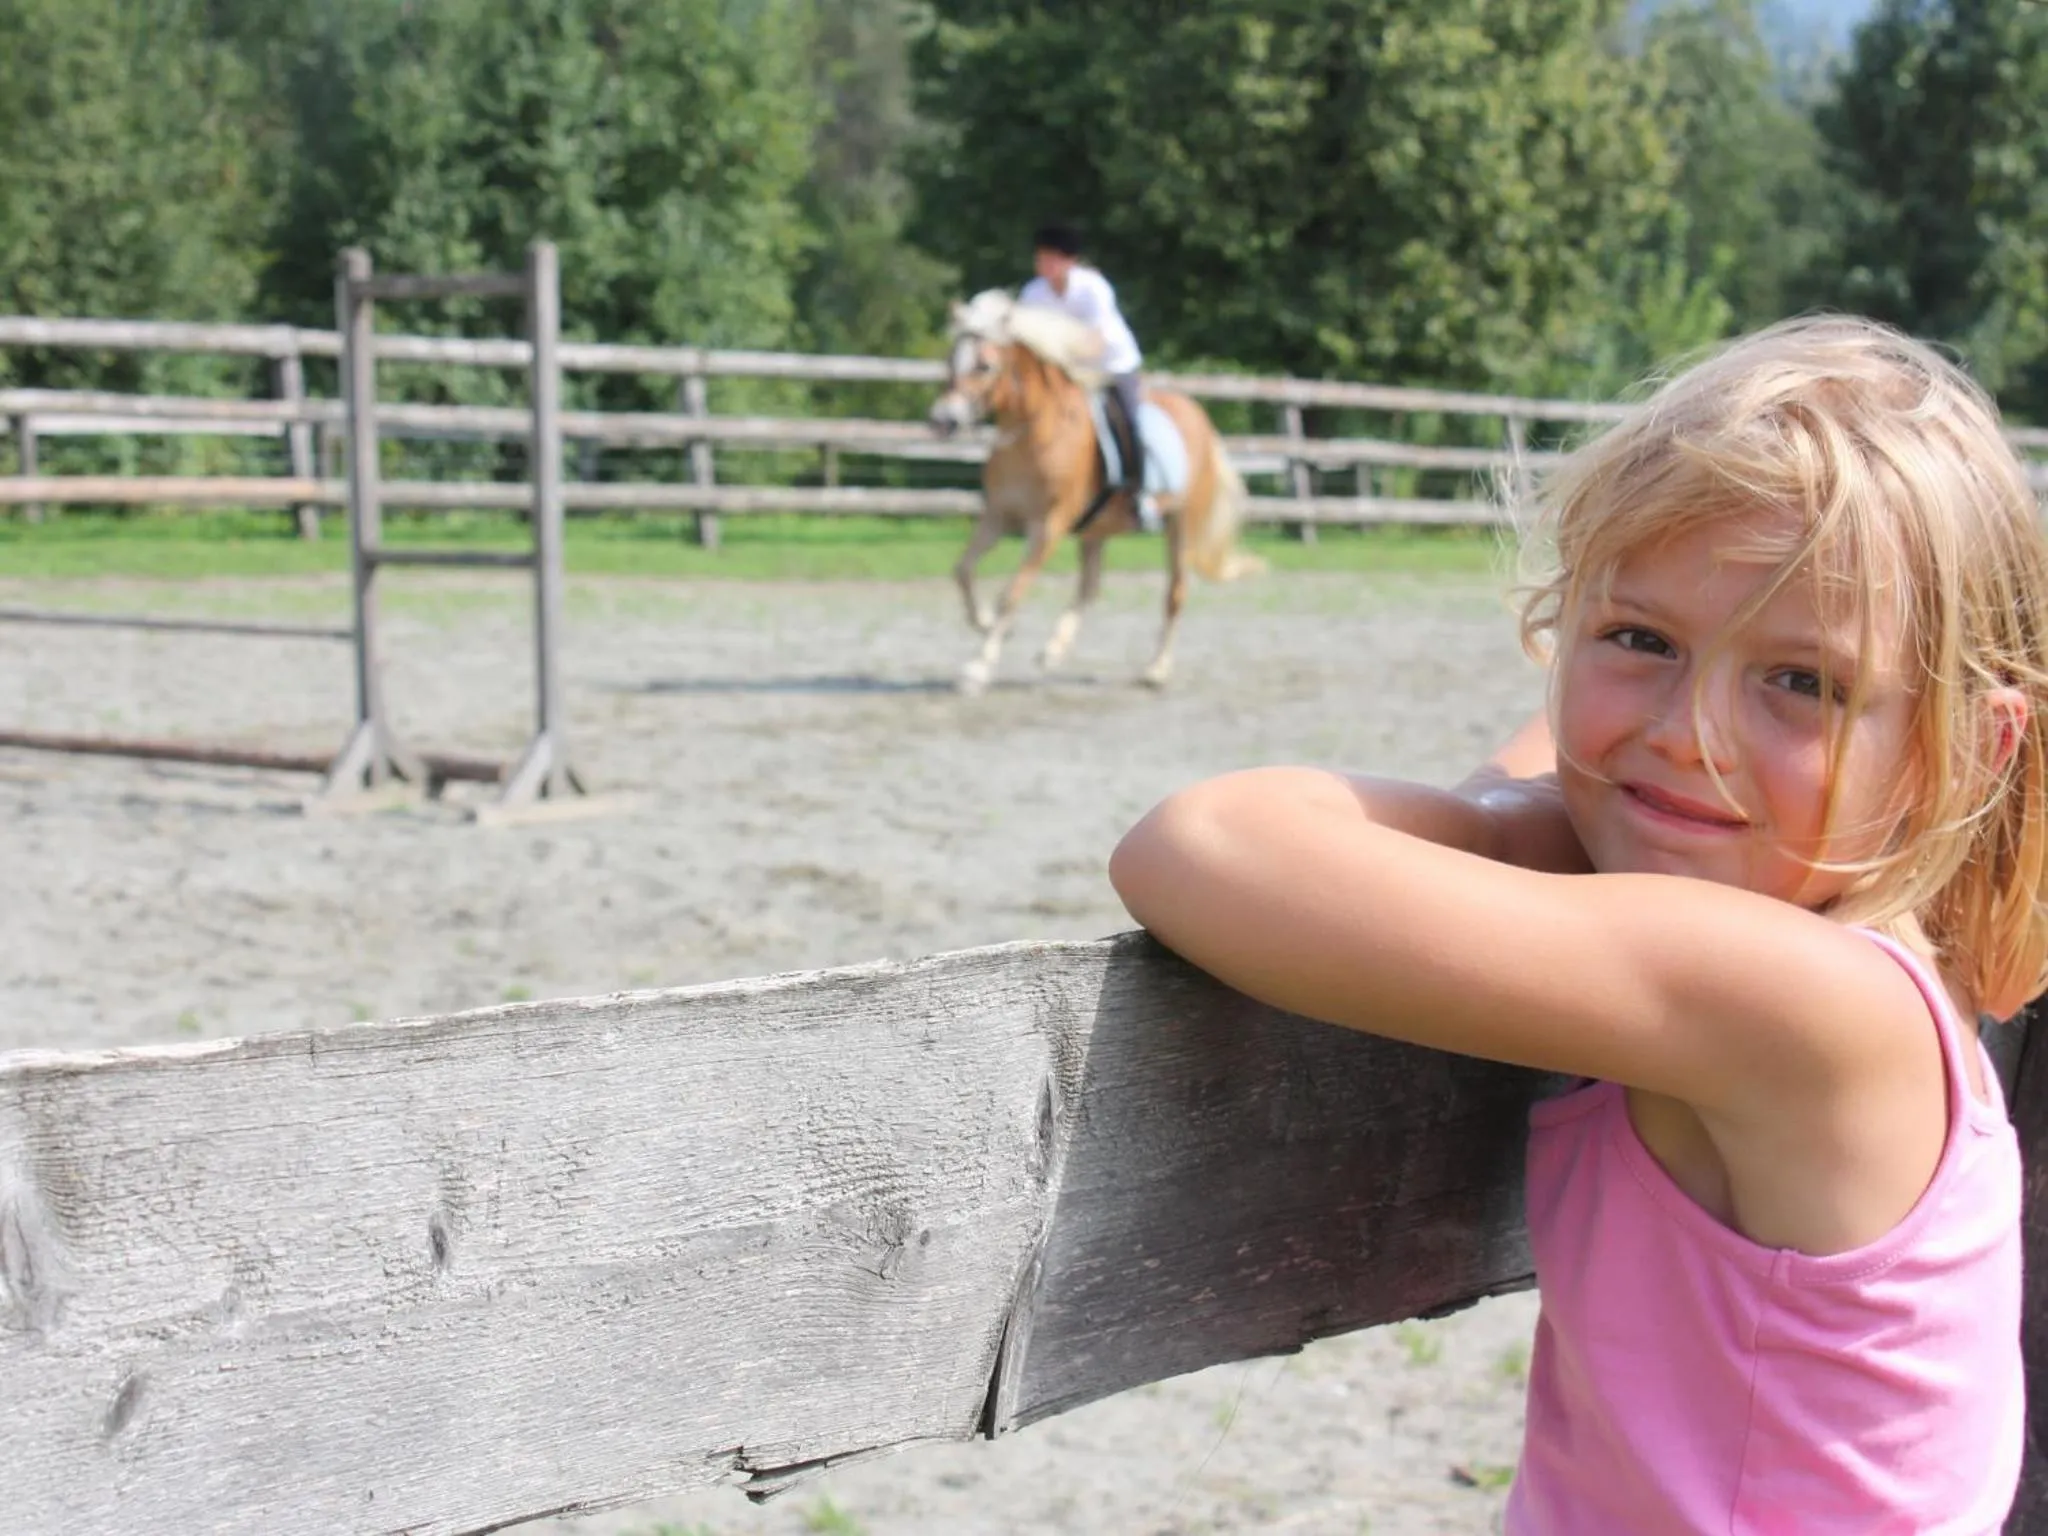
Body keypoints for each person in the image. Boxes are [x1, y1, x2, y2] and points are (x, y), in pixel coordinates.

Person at [1107, 315, 2048, 1532]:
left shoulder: (1801, 1005)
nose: (1684, 734)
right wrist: (1572, 808)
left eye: (1802, 681)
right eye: (1638, 639)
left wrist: (1522, 813)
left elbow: (1202, 844)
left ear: (1969, 747)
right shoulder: (1838, 920)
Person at [1018, 222, 1152, 524]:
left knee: (1130, 420)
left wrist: (1065, 362)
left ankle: (1138, 494)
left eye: (1051, 258)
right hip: (1065, 373)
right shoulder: (1032, 293)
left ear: (1070, 261)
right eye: (1041, 257)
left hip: (1111, 367)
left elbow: (1096, 341)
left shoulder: (1092, 288)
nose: (1044, 264)